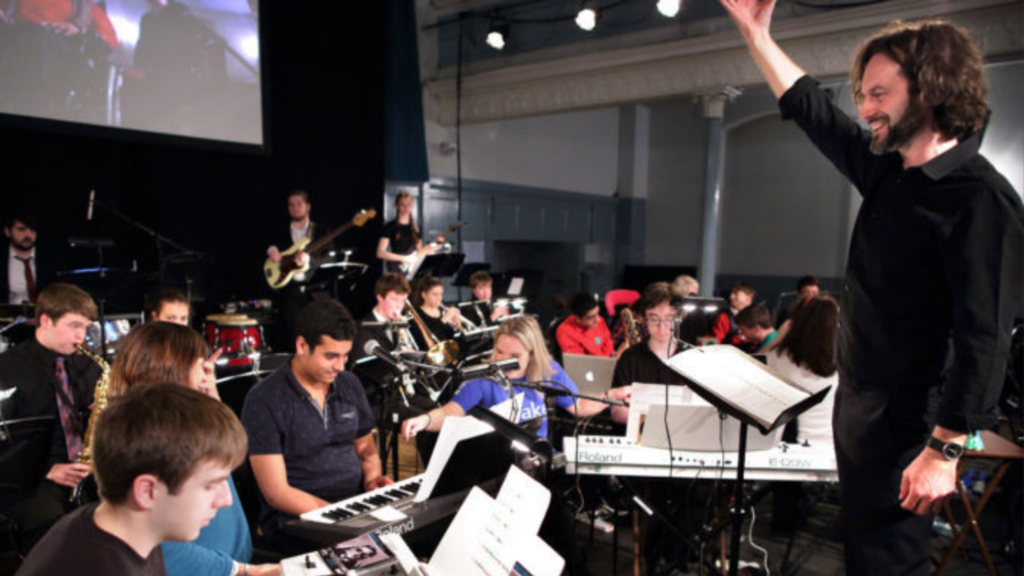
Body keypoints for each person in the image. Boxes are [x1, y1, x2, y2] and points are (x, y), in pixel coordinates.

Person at [720, 1, 1024, 573]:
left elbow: (985, 341)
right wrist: (757, 35)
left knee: (889, 562)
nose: (864, 108)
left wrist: (943, 450)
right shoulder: (890, 168)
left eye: (879, 94)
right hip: (859, 403)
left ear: (931, 90)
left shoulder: (981, 200)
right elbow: (813, 110)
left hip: (912, 422)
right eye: (863, 94)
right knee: (864, 554)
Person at [14, 383, 246, 576]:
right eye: (211, 485)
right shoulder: (100, 565)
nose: (226, 500)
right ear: (147, 491)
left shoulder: (121, 530)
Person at [108, 321, 278, 576]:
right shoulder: (145, 443)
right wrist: (243, 570)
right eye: (199, 363)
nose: (206, 371)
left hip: (236, 562)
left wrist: (211, 400)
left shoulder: (189, 423)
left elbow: (230, 463)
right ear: (171, 370)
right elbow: (162, 549)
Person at [241, 299, 392, 552]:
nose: (340, 366)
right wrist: (341, 517)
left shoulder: (349, 383)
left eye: (345, 356)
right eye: (331, 356)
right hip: (296, 521)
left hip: (352, 508)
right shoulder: (264, 399)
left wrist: (372, 480)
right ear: (302, 345)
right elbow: (276, 492)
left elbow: (366, 451)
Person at [402, 316, 629, 441]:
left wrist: (610, 395)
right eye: (500, 352)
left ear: (532, 354)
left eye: (514, 356)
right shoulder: (482, 378)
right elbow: (449, 413)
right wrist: (424, 420)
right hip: (497, 464)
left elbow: (578, 406)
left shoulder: (548, 370)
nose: (503, 360)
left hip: (537, 460)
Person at [0, 283, 101, 553]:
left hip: (86, 470)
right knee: (56, 526)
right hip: (30, 477)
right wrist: (48, 470)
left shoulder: (89, 365)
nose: (81, 337)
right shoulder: (8, 367)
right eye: (74, 326)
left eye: (86, 328)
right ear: (45, 320)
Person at [265, 189, 333, 350]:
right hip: (290, 290)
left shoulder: (321, 231)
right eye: (291, 205)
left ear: (308, 206)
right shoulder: (280, 230)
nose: (295, 208)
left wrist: (310, 260)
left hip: (315, 288)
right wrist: (271, 250)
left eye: (299, 204)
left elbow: (330, 257)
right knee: (291, 332)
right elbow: (268, 244)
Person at [377, 192, 441, 275]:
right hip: (396, 269)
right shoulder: (390, 227)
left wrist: (432, 247)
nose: (406, 208)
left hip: (412, 269)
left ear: (412, 206)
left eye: (408, 205)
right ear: (396, 205)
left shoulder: (417, 227)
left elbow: (419, 252)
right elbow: (380, 253)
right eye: (402, 205)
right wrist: (404, 258)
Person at [2, 210, 55, 305]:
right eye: (21, 229)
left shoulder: (49, 258)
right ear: (7, 232)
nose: (28, 235)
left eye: (32, 230)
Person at [408, 275, 460, 351]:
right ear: (424, 295)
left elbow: (451, 337)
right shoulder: (417, 315)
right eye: (435, 294)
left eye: (441, 294)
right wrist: (444, 320)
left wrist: (455, 326)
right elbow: (426, 340)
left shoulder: (443, 311)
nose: (439, 298)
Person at [555, 292, 615, 358]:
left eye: (598, 313)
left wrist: (611, 357)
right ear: (577, 318)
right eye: (591, 317)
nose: (598, 320)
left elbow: (609, 343)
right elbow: (581, 362)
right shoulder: (565, 331)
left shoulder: (600, 321)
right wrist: (611, 358)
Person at [709, 280, 755, 347]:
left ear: (749, 297)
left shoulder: (756, 316)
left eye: (736, 294)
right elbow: (714, 342)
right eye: (731, 293)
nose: (731, 297)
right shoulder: (724, 317)